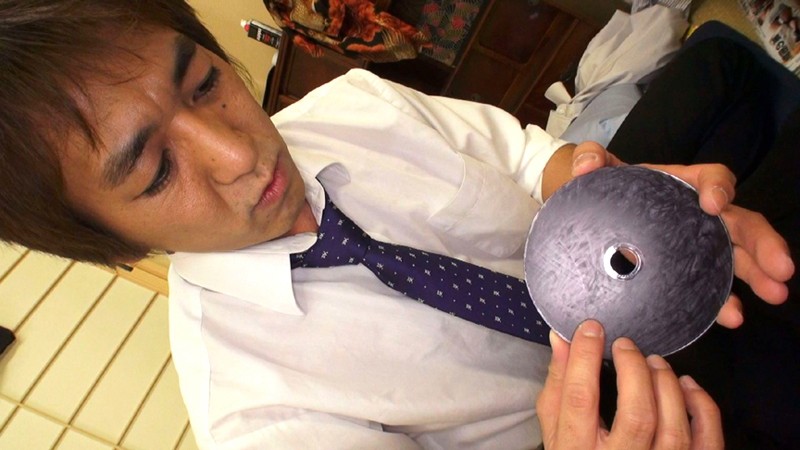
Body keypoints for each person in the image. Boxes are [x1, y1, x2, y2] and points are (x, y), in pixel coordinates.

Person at [0, 1, 793, 448]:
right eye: (156, 171)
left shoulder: (352, 103)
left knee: (717, 69)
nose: (242, 152)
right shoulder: (259, 419)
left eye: (205, 83)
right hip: (604, 423)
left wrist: (616, 187)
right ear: (116, 244)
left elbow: (522, 156)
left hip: (599, 250)